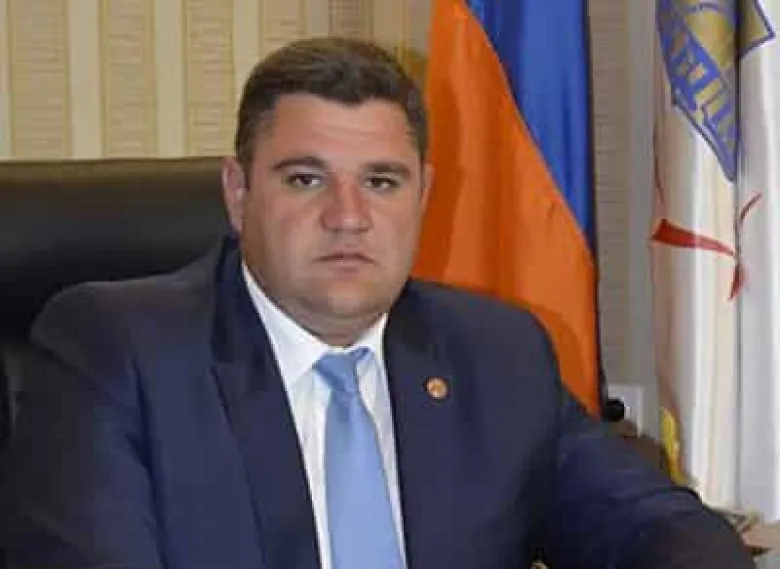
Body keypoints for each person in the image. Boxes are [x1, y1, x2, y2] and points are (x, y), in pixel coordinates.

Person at [0, 37, 754, 569]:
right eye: (305, 179)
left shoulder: (494, 354)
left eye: (382, 181)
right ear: (238, 192)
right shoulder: (117, 353)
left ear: (423, 196)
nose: (348, 216)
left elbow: (662, 531)